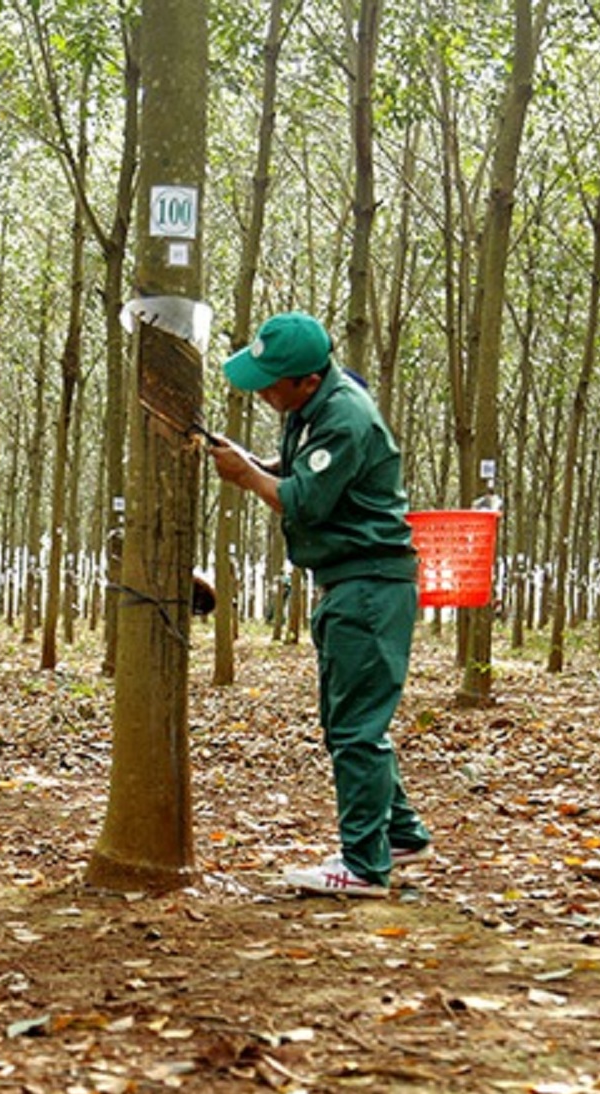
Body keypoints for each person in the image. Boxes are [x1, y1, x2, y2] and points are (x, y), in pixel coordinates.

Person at [204, 311, 431, 899]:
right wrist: (256, 462)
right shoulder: (316, 407)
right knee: (346, 723)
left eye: (271, 383)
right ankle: (399, 834)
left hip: (369, 586)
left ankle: (365, 866)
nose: (262, 393)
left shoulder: (345, 417)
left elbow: (303, 499)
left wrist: (246, 478)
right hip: (350, 583)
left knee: (356, 730)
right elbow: (302, 466)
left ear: (307, 379)